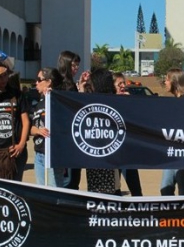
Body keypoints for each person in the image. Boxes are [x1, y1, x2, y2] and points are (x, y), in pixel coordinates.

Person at [79, 68, 119, 194]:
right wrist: (81, 87)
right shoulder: (96, 100)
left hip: (107, 154)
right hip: (96, 152)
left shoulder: (111, 102)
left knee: (109, 191)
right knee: (96, 189)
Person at [160, 68, 184, 196]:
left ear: (175, 81)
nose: (165, 82)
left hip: (182, 153)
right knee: (166, 189)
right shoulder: (176, 101)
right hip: (172, 152)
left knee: (183, 190)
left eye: (167, 79)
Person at [30, 67, 64, 187]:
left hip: (53, 155)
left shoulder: (58, 100)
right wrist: (39, 131)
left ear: (49, 81)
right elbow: (32, 128)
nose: (36, 83)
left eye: (39, 80)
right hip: (39, 154)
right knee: (41, 193)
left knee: (54, 192)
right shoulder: (39, 102)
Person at [113, 72, 143, 196]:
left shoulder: (128, 99)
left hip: (127, 151)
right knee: (115, 189)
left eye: (123, 83)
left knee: (135, 189)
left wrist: (130, 102)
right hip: (113, 152)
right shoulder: (107, 100)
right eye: (119, 83)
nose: (122, 86)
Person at [0, 63, 30, 181]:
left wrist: (21, 145)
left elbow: (26, 122)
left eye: (4, 75)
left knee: (14, 190)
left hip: (15, 152)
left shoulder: (17, 95)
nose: (2, 79)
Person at [57, 50, 82, 189]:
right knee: (68, 180)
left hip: (72, 137)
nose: (76, 68)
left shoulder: (71, 84)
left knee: (73, 179)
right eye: (74, 65)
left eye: (77, 65)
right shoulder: (61, 84)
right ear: (66, 64)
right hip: (65, 138)